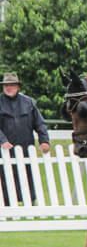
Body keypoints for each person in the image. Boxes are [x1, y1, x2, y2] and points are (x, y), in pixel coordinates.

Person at [0, 73, 50, 204]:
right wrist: (3, 141)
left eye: (11, 85)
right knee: (7, 176)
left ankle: (30, 202)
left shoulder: (29, 102)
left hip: (27, 147)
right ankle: (9, 204)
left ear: (18, 86)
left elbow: (40, 124)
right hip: (6, 149)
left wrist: (44, 141)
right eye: (6, 85)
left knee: (29, 175)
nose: (8, 87)